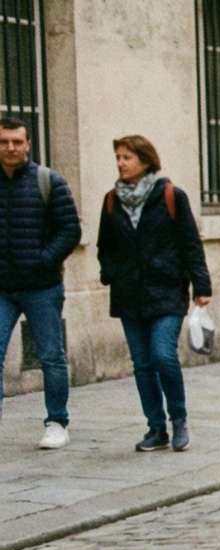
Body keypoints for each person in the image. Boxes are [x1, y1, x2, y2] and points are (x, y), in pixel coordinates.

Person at [94, 134, 211, 453]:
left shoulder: (171, 195)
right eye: (117, 157)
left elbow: (190, 242)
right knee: (142, 364)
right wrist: (110, 273)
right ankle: (155, 428)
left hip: (167, 290)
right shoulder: (111, 200)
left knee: (162, 354)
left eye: (126, 157)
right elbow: (105, 245)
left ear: (145, 161)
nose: (120, 163)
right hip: (128, 294)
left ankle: (179, 420)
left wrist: (201, 285)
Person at [0, 114, 81, 449]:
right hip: (1, 288)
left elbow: (70, 230)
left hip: (42, 287)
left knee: (50, 356)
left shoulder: (49, 181)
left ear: (28, 144)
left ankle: (56, 422)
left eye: (17, 141)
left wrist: (43, 261)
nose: (10, 147)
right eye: (4, 142)